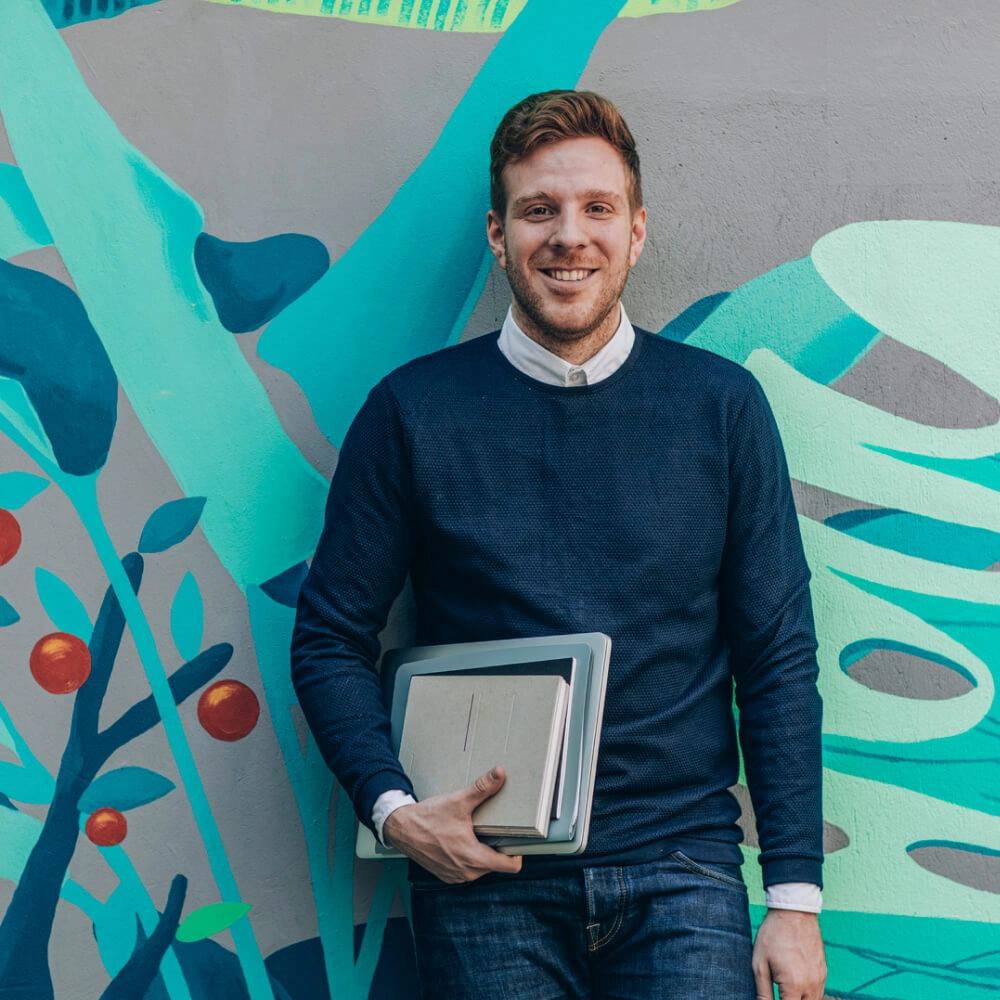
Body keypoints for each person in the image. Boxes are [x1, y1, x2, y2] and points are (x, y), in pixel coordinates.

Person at [291, 89, 827, 1000]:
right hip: (484, 881)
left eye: (596, 209)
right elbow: (330, 635)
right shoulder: (411, 413)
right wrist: (394, 810)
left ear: (637, 231)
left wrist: (794, 900)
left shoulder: (721, 409)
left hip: (683, 872)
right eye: (538, 210)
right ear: (499, 236)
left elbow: (777, 657)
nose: (568, 235)